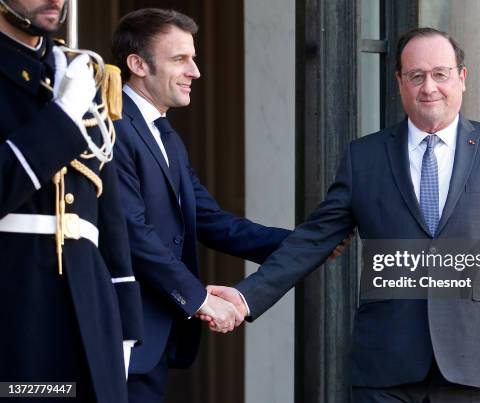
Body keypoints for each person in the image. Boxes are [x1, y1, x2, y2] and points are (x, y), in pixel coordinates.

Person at [210, 27, 480, 402]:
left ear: (462, 78)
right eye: (416, 76)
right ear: (399, 83)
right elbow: (313, 240)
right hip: (385, 363)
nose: (429, 87)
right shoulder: (364, 158)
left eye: (440, 74)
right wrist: (245, 297)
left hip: (469, 360)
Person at [110, 9, 354, 403]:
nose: (196, 71)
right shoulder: (115, 126)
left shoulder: (165, 135)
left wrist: (300, 244)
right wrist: (201, 300)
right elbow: (132, 233)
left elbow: (210, 221)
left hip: (152, 338)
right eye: (180, 59)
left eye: (193, 58)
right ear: (137, 64)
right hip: (120, 334)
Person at [0, 0, 143, 402]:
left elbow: (106, 212)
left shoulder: (76, 72)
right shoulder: (71, 91)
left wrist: (125, 324)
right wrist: (62, 119)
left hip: (89, 310)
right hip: (17, 302)